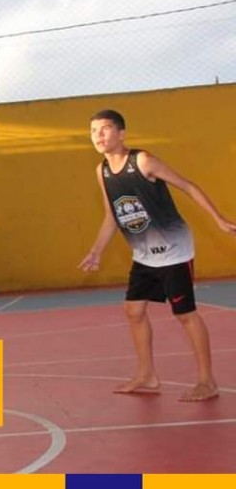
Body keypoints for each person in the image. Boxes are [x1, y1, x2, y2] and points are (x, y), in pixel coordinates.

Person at [79, 109, 236, 402]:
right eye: (93, 131)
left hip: (174, 250)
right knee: (133, 311)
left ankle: (207, 381)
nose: (98, 135)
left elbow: (187, 185)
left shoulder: (143, 161)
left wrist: (218, 219)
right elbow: (112, 215)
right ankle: (147, 375)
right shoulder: (102, 171)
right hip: (144, 254)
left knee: (185, 314)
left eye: (105, 129)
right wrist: (96, 251)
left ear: (121, 134)